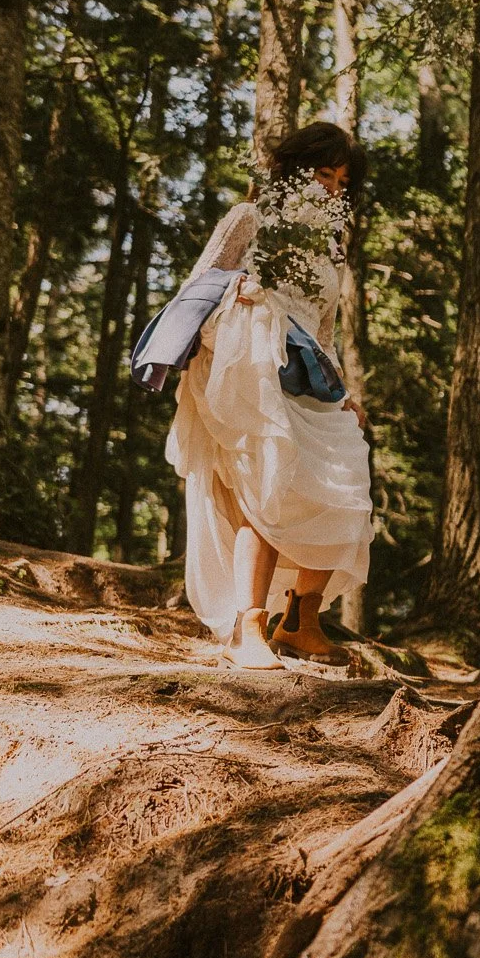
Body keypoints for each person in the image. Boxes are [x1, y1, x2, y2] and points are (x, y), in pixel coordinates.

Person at [165, 123, 373, 669]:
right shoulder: (248, 218)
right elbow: (200, 287)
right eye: (323, 173)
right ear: (293, 169)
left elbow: (322, 328)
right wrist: (248, 299)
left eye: (341, 180)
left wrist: (344, 389)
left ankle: (301, 621)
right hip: (251, 363)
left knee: (347, 483)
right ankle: (246, 629)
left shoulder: (330, 245)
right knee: (270, 487)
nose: (332, 188)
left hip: (310, 376)